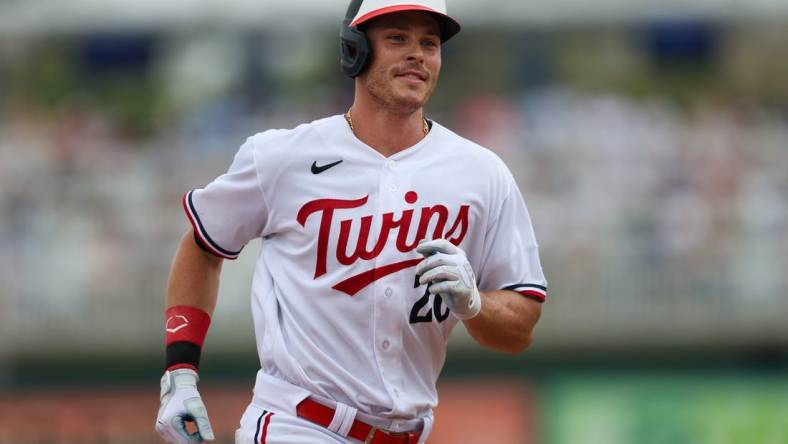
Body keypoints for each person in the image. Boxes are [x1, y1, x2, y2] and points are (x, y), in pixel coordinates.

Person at [155, 0, 547, 442]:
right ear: (354, 49)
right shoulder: (284, 157)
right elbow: (204, 242)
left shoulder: (482, 173)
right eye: (397, 38)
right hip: (298, 424)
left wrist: (475, 303)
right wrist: (180, 374)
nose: (417, 53)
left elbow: (520, 327)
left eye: (429, 43)